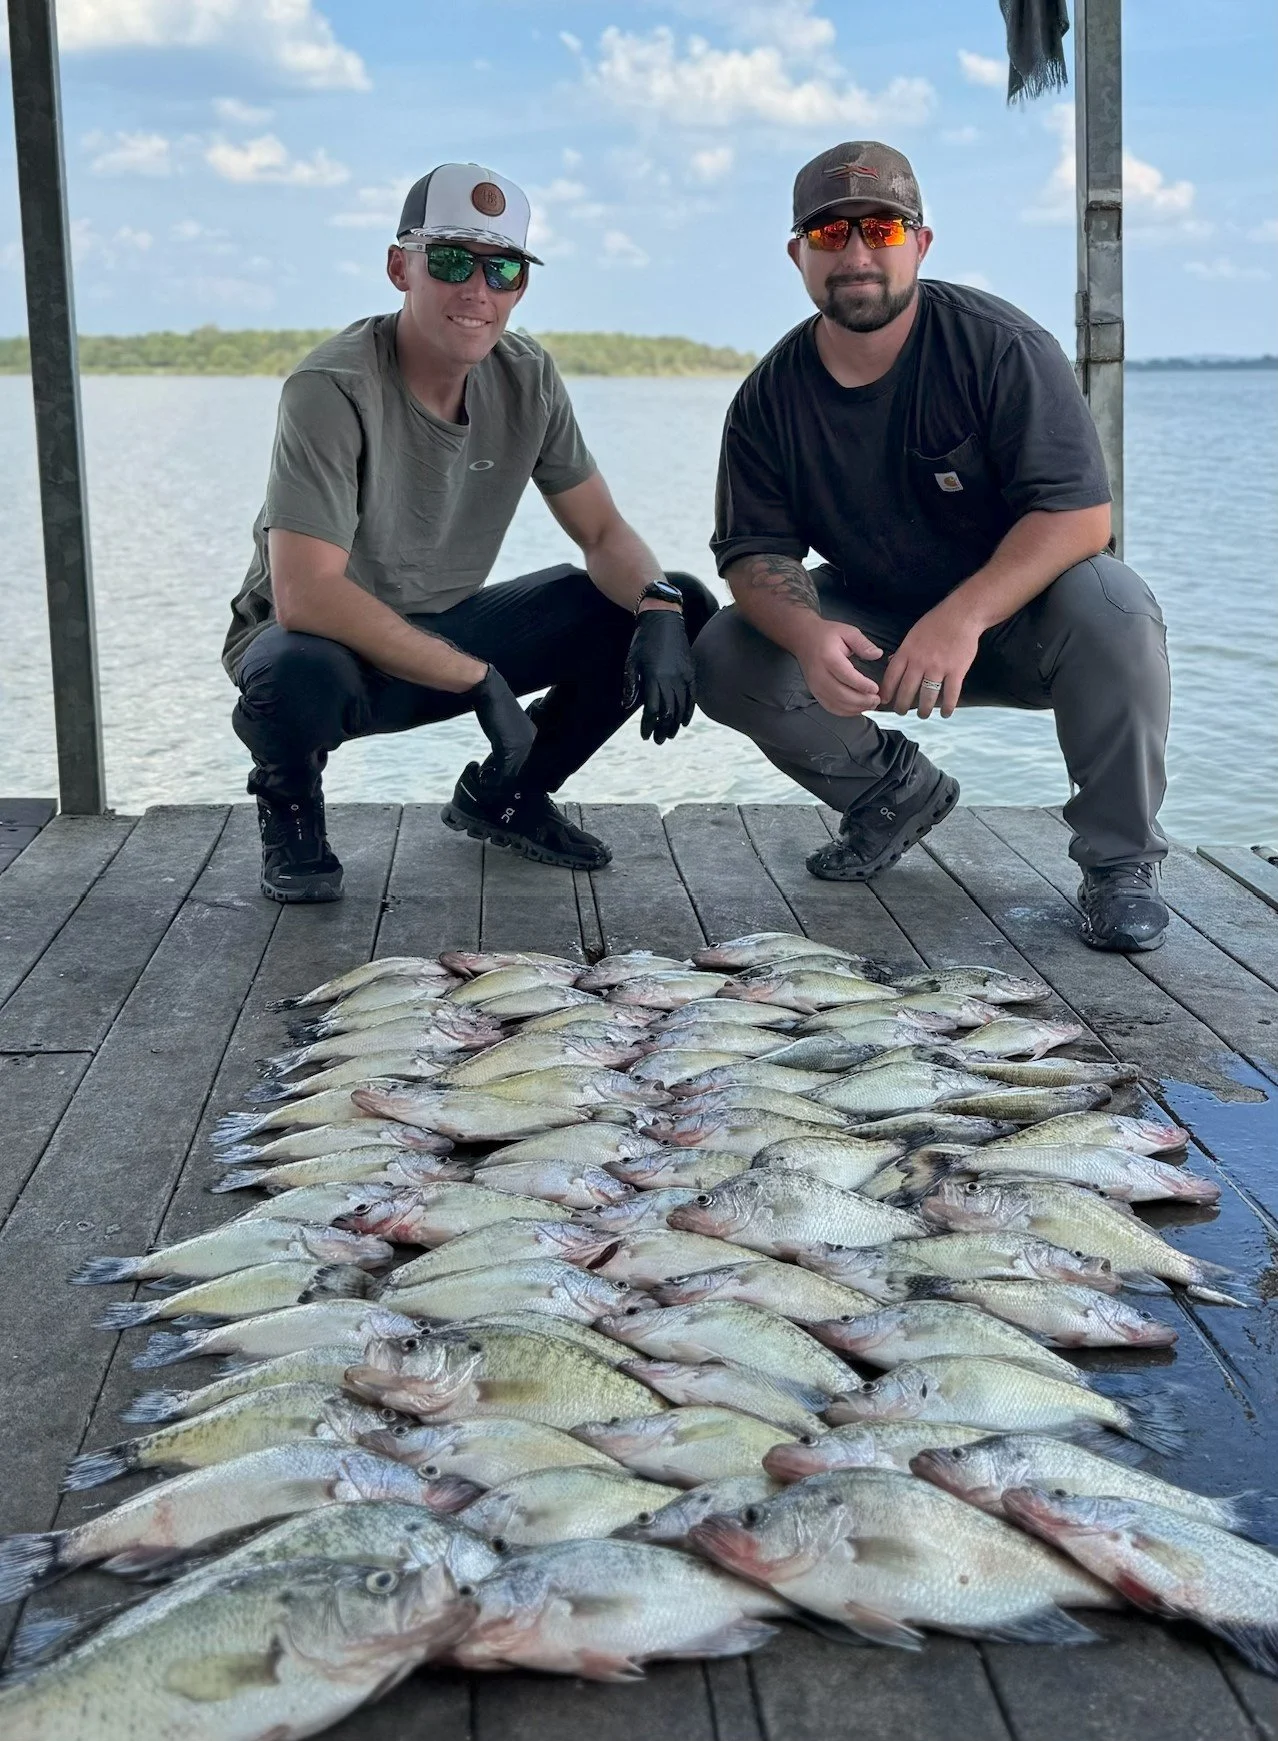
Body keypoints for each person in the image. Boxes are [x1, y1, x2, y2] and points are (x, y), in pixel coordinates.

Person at [693, 141, 1171, 953]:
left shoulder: (1000, 347)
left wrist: (962, 617)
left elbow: (1081, 518)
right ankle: (891, 791)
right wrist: (810, 637)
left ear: (920, 242)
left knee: (1116, 602)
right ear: (797, 253)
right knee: (727, 650)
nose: (853, 253)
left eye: (879, 229)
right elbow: (754, 551)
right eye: (828, 233)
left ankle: (1120, 864)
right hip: (877, 629)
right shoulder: (769, 396)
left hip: (1020, 622)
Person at [224, 161, 717, 903]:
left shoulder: (528, 375)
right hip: (334, 647)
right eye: (451, 260)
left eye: (503, 268)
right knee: (292, 670)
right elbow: (307, 595)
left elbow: (603, 530)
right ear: (401, 267)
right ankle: (291, 810)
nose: (477, 290)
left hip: (447, 625)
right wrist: (477, 677)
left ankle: (510, 793)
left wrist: (657, 607)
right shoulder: (329, 388)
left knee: (679, 602)